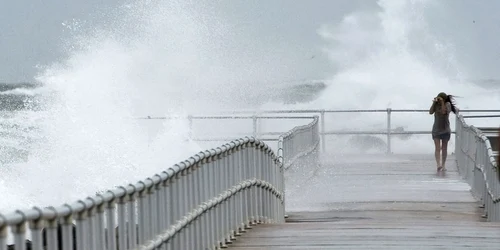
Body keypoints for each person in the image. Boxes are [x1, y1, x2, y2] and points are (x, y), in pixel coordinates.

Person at [429, 92, 458, 171]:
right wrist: (434, 103)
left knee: (444, 148)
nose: (438, 100)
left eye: (440, 99)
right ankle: (438, 164)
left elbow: (444, 112)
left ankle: (443, 164)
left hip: (445, 130)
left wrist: (442, 103)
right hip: (436, 130)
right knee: (437, 148)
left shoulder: (447, 104)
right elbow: (430, 112)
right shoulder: (436, 104)